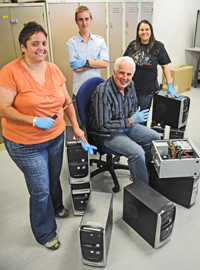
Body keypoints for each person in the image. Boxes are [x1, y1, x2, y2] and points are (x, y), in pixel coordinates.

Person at [0, 21, 96, 251]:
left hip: (55, 136)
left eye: (43, 43)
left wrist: (77, 127)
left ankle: (56, 207)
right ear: (23, 46)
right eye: (35, 44)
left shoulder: (53, 69)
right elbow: (3, 108)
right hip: (25, 143)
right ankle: (45, 232)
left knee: (53, 177)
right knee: (40, 188)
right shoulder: (10, 72)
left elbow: (66, 102)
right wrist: (33, 120)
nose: (41, 48)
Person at [89, 56, 160, 184]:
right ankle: (142, 192)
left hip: (125, 124)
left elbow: (133, 105)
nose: (125, 78)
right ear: (114, 72)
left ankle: (142, 172)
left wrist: (133, 116)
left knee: (155, 137)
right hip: (106, 134)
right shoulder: (103, 92)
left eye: (129, 74)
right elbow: (104, 126)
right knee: (137, 153)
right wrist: (131, 121)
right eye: (121, 73)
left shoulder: (130, 85)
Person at [123, 20, 180, 125]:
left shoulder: (158, 47)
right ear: (138, 31)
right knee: (129, 116)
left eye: (147, 29)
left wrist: (170, 85)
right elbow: (124, 63)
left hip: (147, 91)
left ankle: (141, 139)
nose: (144, 32)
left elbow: (165, 67)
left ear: (151, 31)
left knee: (141, 119)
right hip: (130, 89)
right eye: (141, 30)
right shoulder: (133, 45)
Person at [67, 5, 109, 123]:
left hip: (97, 91)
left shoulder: (99, 41)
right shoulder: (71, 44)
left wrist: (84, 62)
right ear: (76, 21)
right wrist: (96, 62)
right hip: (79, 91)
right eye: (80, 19)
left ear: (91, 20)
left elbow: (105, 64)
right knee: (81, 124)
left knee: (98, 123)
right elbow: (76, 69)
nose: (84, 22)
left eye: (86, 19)